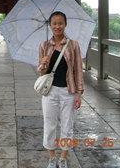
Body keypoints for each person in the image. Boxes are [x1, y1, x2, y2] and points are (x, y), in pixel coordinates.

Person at [37, 11, 84, 168]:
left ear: (65, 24)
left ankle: (63, 158)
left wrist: (79, 94)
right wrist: (43, 64)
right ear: (50, 25)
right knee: (49, 124)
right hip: (49, 92)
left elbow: (78, 69)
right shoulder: (44, 46)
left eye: (60, 23)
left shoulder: (73, 45)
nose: (57, 26)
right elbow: (41, 72)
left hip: (68, 92)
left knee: (67, 125)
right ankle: (52, 157)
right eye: (54, 23)